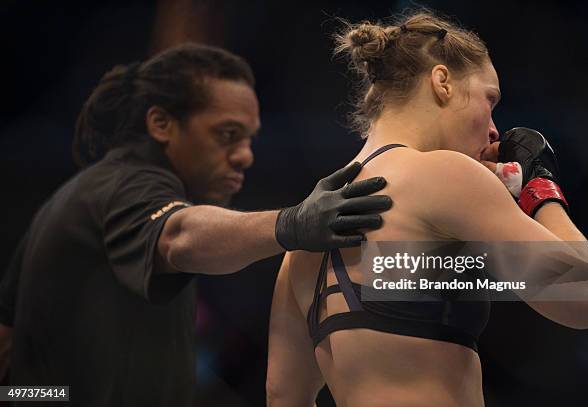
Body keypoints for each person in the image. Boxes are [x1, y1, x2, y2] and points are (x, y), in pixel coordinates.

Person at [0, 43, 393, 406]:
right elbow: (179, 237)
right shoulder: (125, 185)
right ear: (161, 124)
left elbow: (8, 342)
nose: (245, 156)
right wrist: (292, 224)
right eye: (227, 134)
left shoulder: (80, 196)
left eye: (249, 138)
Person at [266, 10, 588, 407]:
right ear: (442, 82)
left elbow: (282, 395)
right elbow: (587, 299)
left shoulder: (303, 242)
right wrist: (538, 185)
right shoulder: (444, 174)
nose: (495, 129)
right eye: (489, 99)